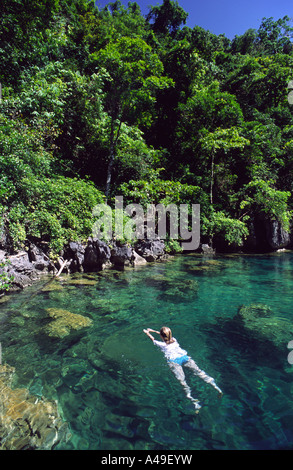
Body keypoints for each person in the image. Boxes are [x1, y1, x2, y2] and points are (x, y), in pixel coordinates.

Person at [143, 326, 222, 412]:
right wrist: (155, 330)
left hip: (174, 361)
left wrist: (148, 333)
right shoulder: (174, 340)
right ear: (170, 335)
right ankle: (217, 388)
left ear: (161, 336)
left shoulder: (161, 344)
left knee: (182, 381)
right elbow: (164, 335)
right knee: (199, 372)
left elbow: (152, 339)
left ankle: (193, 400)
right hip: (184, 357)